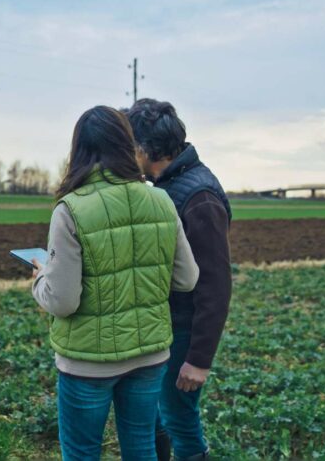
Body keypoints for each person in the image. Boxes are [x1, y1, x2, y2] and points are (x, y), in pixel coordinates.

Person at [31, 105, 200, 461]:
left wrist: (40, 279)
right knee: (141, 447)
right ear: (127, 144)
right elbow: (187, 279)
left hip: (88, 361)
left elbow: (62, 301)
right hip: (150, 355)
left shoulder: (71, 209)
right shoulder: (161, 200)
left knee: (82, 453)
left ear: (78, 150)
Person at [126, 99, 232, 461]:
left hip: (183, 331)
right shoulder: (164, 184)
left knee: (180, 419)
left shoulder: (199, 197)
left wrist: (199, 359)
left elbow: (216, 286)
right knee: (156, 416)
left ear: (143, 148)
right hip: (163, 327)